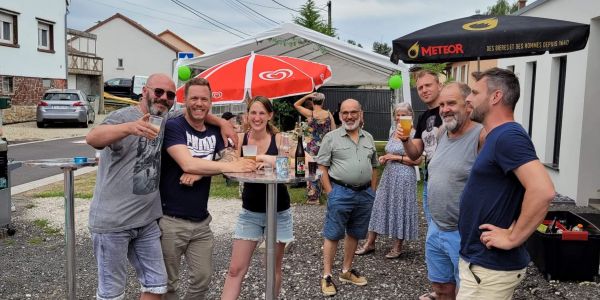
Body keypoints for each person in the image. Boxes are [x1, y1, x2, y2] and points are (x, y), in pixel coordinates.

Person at [86, 73, 237, 300]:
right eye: (158, 92)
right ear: (144, 91)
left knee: (157, 286)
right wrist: (130, 128)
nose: (163, 98)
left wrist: (222, 122)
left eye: (169, 95)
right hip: (113, 221)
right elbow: (93, 138)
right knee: (112, 292)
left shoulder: (165, 118)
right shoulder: (123, 116)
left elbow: (195, 111)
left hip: (147, 220)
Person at [457, 68, 555, 299]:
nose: (468, 98)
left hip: (490, 268)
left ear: (495, 97)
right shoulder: (496, 136)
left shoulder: (508, 136)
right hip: (480, 264)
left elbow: (543, 191)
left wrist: (513, 237)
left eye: (474, 92)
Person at [159, 78, 255, 300]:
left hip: (201, 222)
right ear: (185, 100)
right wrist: (225, 165)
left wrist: (204, 171)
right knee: (167, 283)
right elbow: (188, 164)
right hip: (170, 220)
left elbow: (229, 159)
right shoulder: (174, 127)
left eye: (204, 99)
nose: (199, 103)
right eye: (194, 98)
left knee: (203, 279)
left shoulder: (213, 128)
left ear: (211, 102)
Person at [221, 96, 293, 300]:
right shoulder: (241, 138)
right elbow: (229, 162)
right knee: (235, 269)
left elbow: (291, 163)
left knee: (272, 269)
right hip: (250, 211)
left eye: (262, 113)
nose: (257, 117)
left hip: (279, 211)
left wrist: (262, 159)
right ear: (247, 115)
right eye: (253, 112)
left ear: (270, 115)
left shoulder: (280, 139)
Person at [419, 82, 485, 300]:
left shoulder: (481, 136)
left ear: (468, 105)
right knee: (441, 288)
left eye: (451, 103)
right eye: (441, 104)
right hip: (436, 228)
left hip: (464, 233)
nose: (444, 109)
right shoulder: (441, 134)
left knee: (466, 291)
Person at [316, 99, 378, 296]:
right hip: (340, 192)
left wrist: (372, 191)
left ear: (361, 114)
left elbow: (374, 166)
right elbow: (322, 166)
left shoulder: (368, 137)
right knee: (333, 233)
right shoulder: (331, 138)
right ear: (340, 115)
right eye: (345, 113)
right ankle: (327, 276)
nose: (349, 116)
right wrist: (329, 192)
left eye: (353, 112)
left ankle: (346, 271)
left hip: (365, 193)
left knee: (355, 232)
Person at [355, 102, 421, 259]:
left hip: (405, 176)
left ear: (411, 116)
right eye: (397, 114)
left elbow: (418, 160)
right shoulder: (393, 132)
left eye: (403, 114)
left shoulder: (413, 134)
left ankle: (397, 246)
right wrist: (385, 157)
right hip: (389, 175)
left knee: (401, 208)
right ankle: (370, 243)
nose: (399, 117)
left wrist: (394, 157)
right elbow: (390, 151)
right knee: (379, 206)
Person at [396, 70, 443, 225]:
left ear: (440, 86)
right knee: (433, 228)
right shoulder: (423, 116)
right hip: (429, 180)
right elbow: (415, 154)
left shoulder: (449, 111)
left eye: (428, 85)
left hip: (449, 181)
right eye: (420, 87)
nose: (424, 90)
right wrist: (404, 139)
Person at [294, 92, 336, 204]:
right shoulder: (328, 114)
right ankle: (326, 191)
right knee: (324, 169)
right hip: (325, 146)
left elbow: (296, 105)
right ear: (323, 102)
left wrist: (307, 96)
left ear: (313, 101)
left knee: (312, 170)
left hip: (312, 146)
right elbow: (334, 130)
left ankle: (313, 197)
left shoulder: (310, 114)